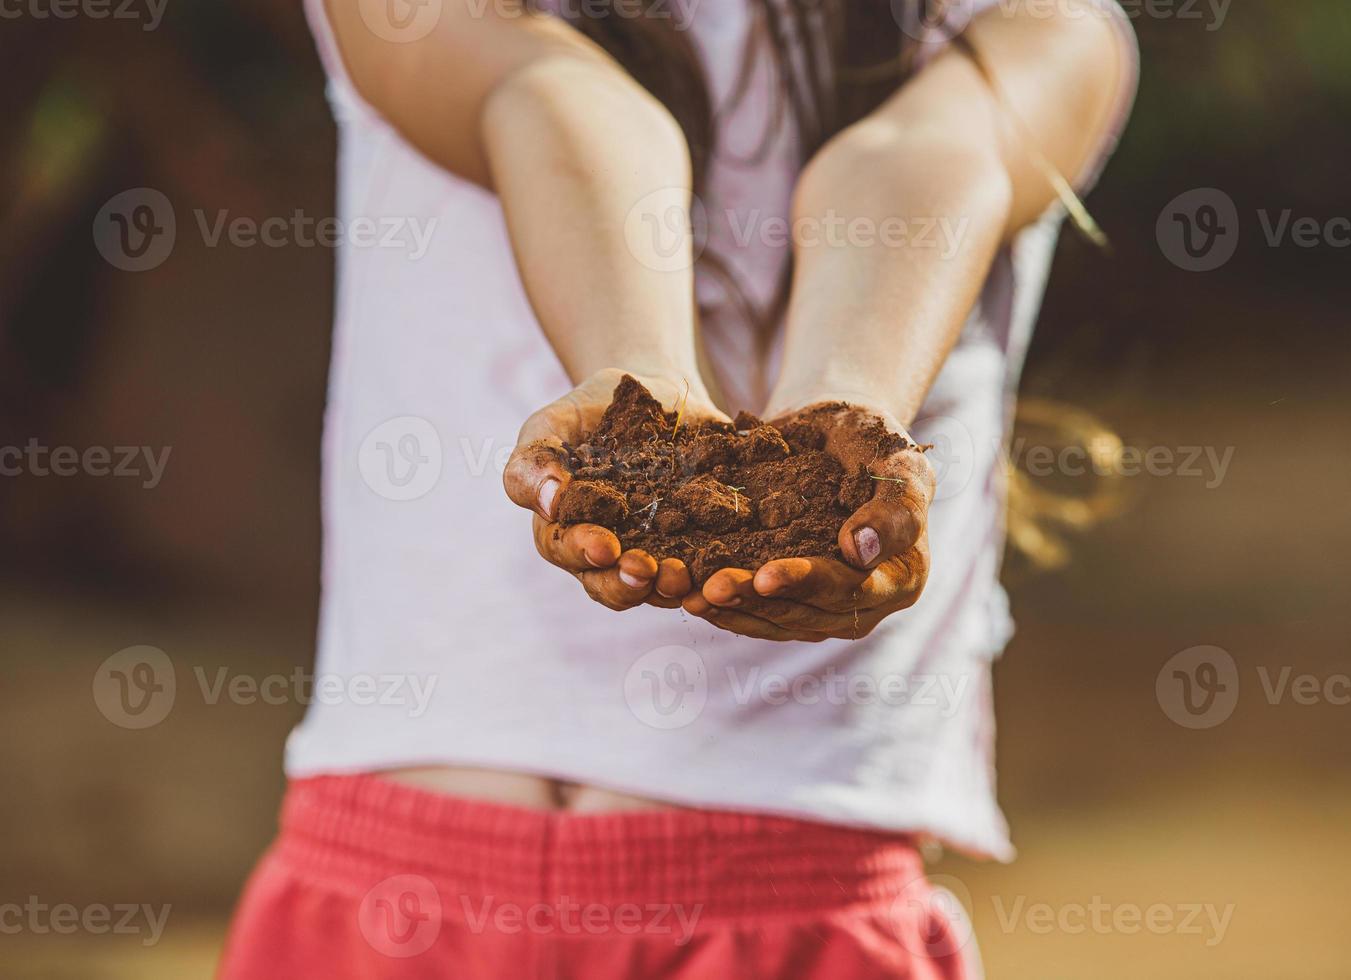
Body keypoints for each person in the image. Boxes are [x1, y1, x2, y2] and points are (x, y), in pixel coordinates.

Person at [218, 0, 1136, 976]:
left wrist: (838, 418)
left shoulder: (1043, 28)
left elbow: (923, 159)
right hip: (397, 890)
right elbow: (548, 93)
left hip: (787, 897)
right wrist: (637, 381)